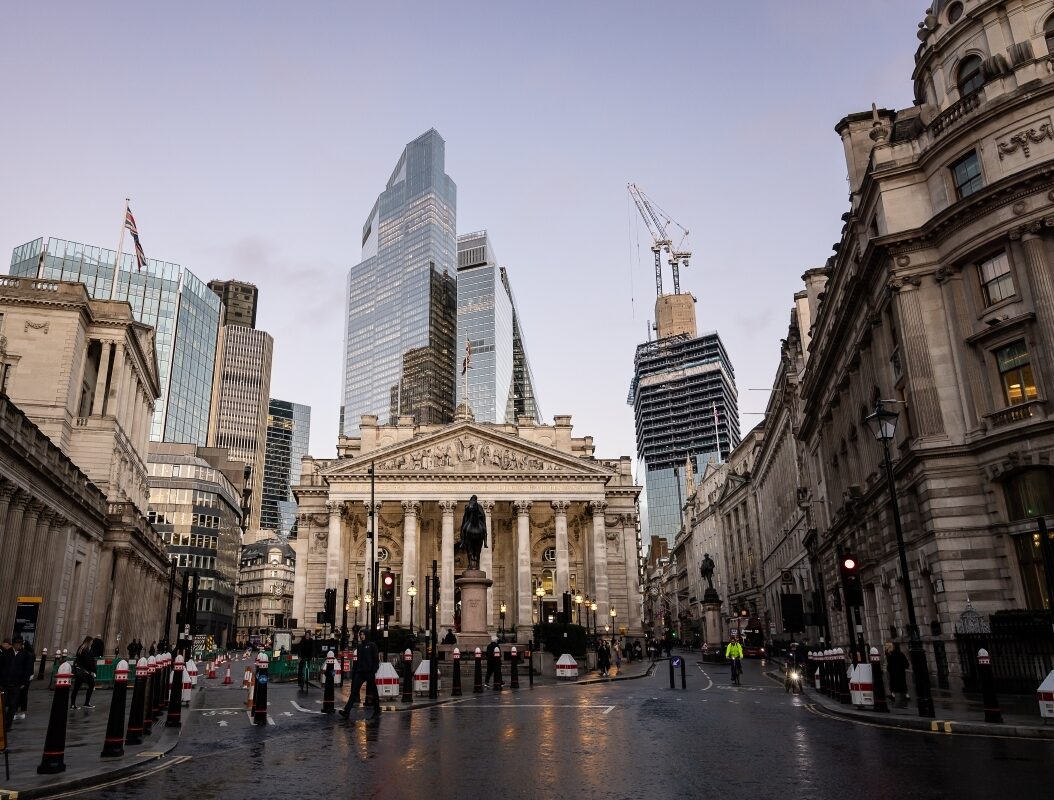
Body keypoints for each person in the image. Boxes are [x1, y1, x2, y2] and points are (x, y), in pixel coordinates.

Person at [339, 630, 379, 719]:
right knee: (354, 691)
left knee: (374, 692)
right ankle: (346, 711)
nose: (361, 636)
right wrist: (356, 670)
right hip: (360, 672)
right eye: (360, 634)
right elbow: (358, 660)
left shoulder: (372, 645)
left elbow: (376, 659)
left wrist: (373, 670)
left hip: (369, 672)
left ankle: (377, 710)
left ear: (367, 635)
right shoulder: (359, 647)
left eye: (363, 634)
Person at [71, 636, 97, 709]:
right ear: (89, 641)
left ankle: (73, 704)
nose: (92, 643)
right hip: (86, 672)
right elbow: (88, 662)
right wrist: (92, 671)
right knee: (91, 685)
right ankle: (86, 702)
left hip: (80, 671)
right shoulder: (87, 650)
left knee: (76, 688)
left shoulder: (81, 648)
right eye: (91, 641)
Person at [11, 637, 34, 720]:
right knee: (21, 695)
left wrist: (25, 681)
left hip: (23, 679)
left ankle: (17, 711)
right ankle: (18, 711)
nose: (19, 646)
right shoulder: (26, 654)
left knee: (20, 695)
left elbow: (27, 668)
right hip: (20, 678)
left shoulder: (27, 655)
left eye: (20, 644)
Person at [886, 642, 910, 708]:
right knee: (903, 683)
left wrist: (889, 670)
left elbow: (889, 666)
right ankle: (905, 695)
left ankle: (893, 695)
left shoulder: (890, 655)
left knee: (893, 684)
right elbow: (906, 664)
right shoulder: (901, 654)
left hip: (893, 673)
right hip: (901, 672)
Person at [0, 638, 16, 732]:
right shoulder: (4, 654)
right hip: (4, 682)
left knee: (11, 703)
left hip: (14, 683)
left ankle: (7, 723)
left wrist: (24, 681)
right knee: (4, 702)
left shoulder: (20, 654)